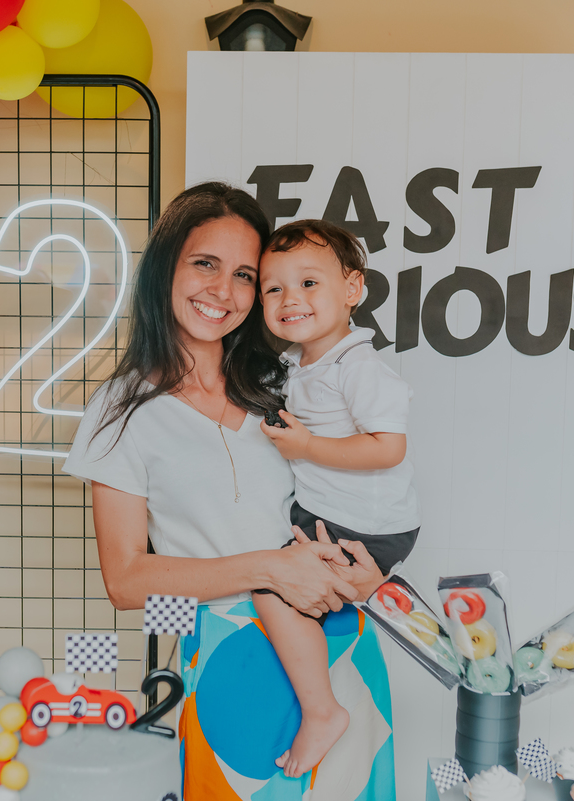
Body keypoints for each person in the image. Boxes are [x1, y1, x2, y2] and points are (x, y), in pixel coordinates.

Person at [62, 183, 396, 800]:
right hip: (231, 659)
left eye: (245, 274)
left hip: (340, 639)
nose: (223, 291)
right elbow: (126, 581)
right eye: (205, 264)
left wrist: (367, 570)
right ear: (166, 265)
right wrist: (270, 569)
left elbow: (357, 484)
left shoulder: (285, 380)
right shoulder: (120, 411)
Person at [253, 220, 420, 777]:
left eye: (308, 284)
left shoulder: (357, 367)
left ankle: (323, 712)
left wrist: (306, 445)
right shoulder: (298, 365)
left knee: (274, 591)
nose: (289, 299)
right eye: (274, 288)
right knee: (280, 580)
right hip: (331, 513)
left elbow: (387, 448)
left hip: (365, 524)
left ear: (353, 289)